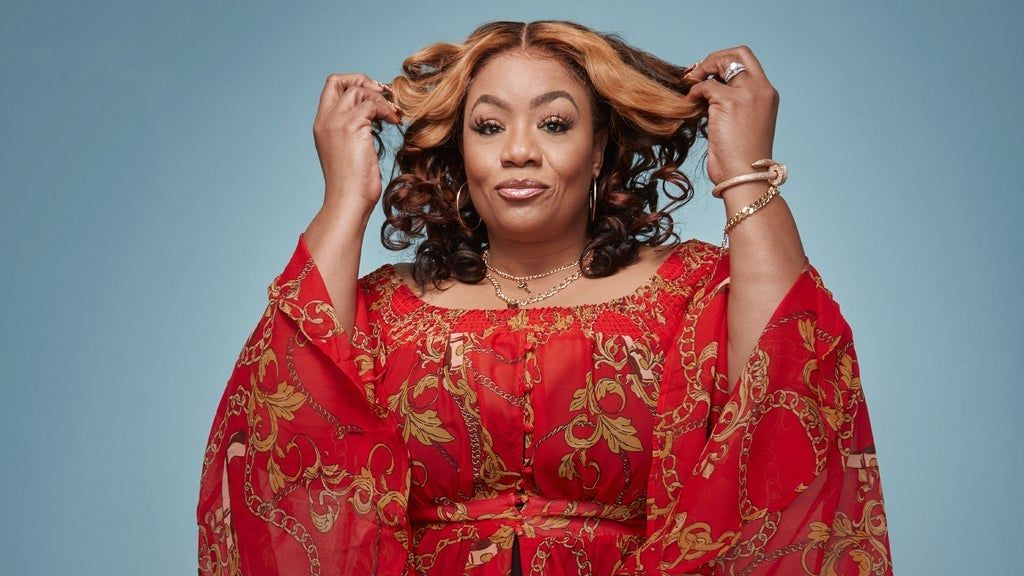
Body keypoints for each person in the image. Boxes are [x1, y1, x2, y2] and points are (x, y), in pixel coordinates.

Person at [196, 20, 894, 576]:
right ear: (460, 150)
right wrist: (346, 196)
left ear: (598, 149)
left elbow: (792, 390)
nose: (519, 151)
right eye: (489, 126)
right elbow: (279, 432)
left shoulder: (691, 288)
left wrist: (745, 170)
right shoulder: (383, 308)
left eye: (554, 123)